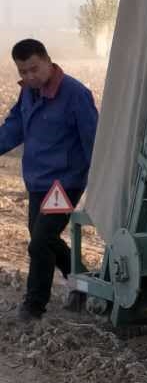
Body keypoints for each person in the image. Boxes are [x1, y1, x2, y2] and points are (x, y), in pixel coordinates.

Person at [0, 40, 99, 321]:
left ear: (47, 61)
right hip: (38, 181)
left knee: (40, 241)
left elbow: (92, 139)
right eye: (23, 71)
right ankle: (82, 282)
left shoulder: (75, 94)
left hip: (65, 183)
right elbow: (14, 127)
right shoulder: (28, 94)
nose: (29, 76)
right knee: (45, 238)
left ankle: (33, 306)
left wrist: (97, 182)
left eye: (34, 69)